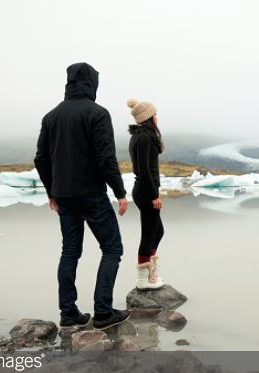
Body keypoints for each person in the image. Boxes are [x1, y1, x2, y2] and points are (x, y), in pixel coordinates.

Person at [34, 62, 130, 330]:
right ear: (91, 83)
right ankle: (103, 312)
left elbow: (41, 158)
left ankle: (68, 313)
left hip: (64, 196)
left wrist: (52, 190)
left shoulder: (50, 117)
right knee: (112, 248)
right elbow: (106, 158)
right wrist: (120, 192)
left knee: (70, 251)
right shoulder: (97, 114)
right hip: (91, 195)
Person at [127, 98, 167, 289]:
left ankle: (150, 274)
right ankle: (143, 280)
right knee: (149, 233)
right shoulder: (143, 137)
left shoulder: (142, 135)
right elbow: (144, 170)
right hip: (145, 191)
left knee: (157, 231)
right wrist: (154, 195)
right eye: (155, 114)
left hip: (144, 189)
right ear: (149, 117)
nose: (157, 117)